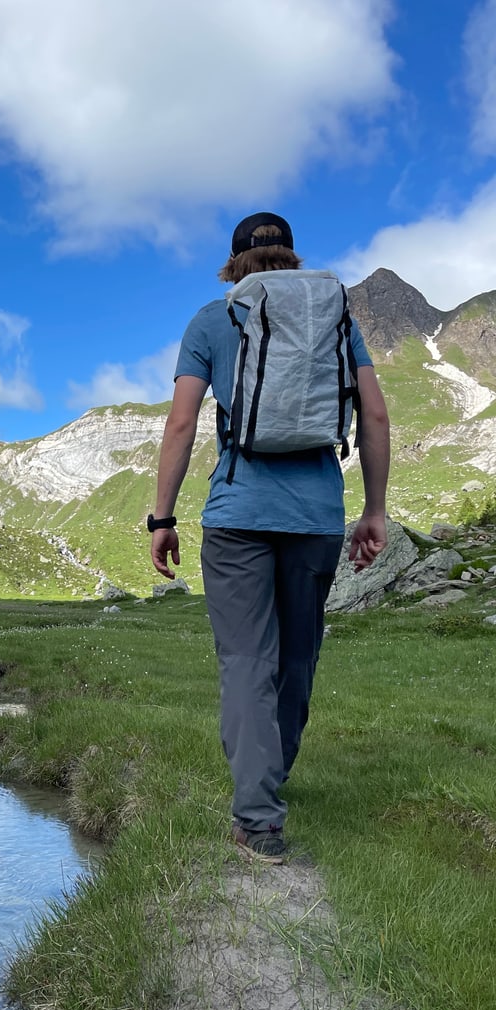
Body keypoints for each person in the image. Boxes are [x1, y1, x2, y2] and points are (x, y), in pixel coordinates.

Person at [149, 213, 390, 865]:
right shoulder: (337, 317)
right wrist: (374, 509)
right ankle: (267, 782)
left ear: (233, 267)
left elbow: (179, 426)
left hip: (236, 517)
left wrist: (162, 517)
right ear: (291, 259)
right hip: (315, 518)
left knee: (247, 663)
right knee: (296, 661)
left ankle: (258, 818)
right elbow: (372, 413)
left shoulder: (211, 319)